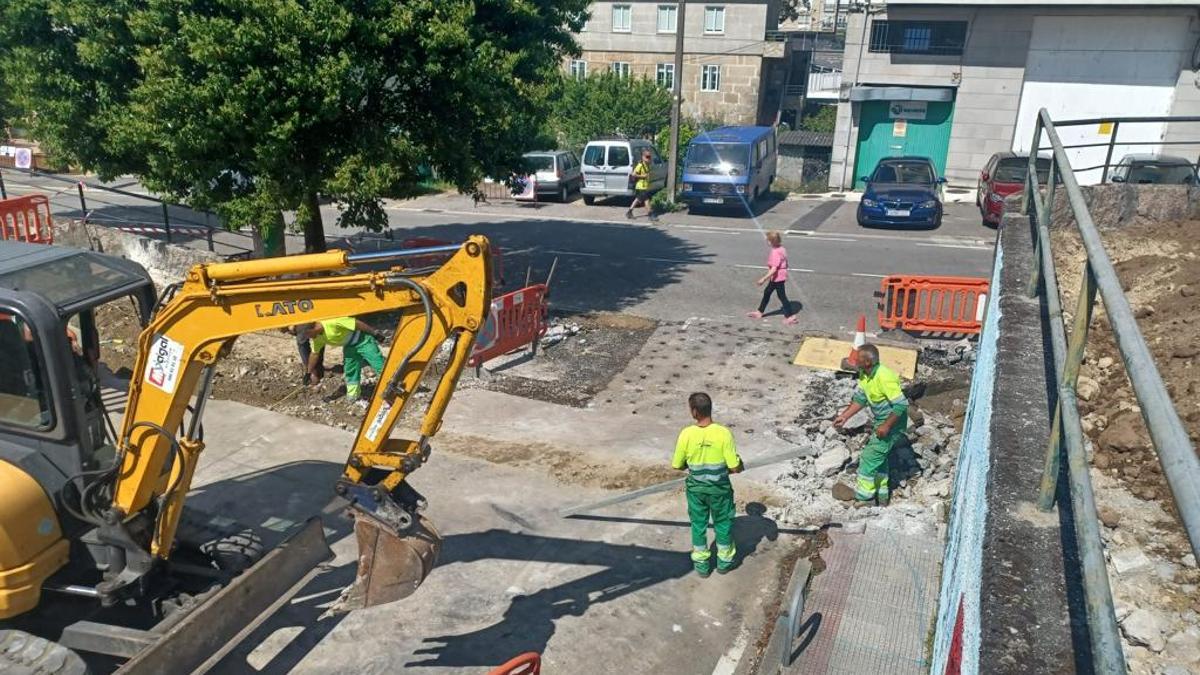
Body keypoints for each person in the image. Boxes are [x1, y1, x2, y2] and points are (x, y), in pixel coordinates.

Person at [671, 392, 744, 577]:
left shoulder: (686, 434)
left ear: (694, 412)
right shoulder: (723, 433)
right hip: (720, 489)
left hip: (696, 490)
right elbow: (734, 467)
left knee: (698, 525)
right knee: (723, 524)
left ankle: (702, 564)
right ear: (710, 409)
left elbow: (677, 465)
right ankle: (724, 562)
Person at [832, 344, 908, 507]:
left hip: (892, 424)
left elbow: (901, 405)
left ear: (867, 362)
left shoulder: (884, 376)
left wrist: (886, 426)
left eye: (857, 358)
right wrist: (844, 416)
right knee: (879, 459)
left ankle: (865, 496)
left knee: (868, 457)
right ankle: (882, 494)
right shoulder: (864, 374)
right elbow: (861, 399)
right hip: (882, 421)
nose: (853, 361)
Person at [303, 317, 386, 403]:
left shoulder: (332, 322)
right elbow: (314, 354)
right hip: (349, 346)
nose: (309, 337)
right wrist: (308, 373)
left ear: (314, 327)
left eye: (308, 334)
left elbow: (356, 323)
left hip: (363, 340)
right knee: (350, 369)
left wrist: (374, 333)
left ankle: (389, 388)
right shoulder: (317, 338)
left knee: (379, 365)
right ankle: (353, 394)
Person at [748, 231, 798, 325]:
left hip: (777, 277)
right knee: (767, 292)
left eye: (768, 240)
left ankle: (791, 316)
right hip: (779, 276)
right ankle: (759, 312)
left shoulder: (775, 252)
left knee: (782, 296)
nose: (767, 241)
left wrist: (763, 278)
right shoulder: (782, 248)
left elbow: (774, 269)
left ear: (771, 241)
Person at [625, 149, 658, 222]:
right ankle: (650, 215)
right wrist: (642, 176)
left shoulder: (647, 165)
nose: (649, 158)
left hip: (644, 186)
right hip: (640, 186)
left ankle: (629, 212)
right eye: (647, 157)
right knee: (646, 200)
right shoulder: (640, 165)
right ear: (643, 157)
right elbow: (633, 174)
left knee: (638, 200)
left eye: (650, 157)